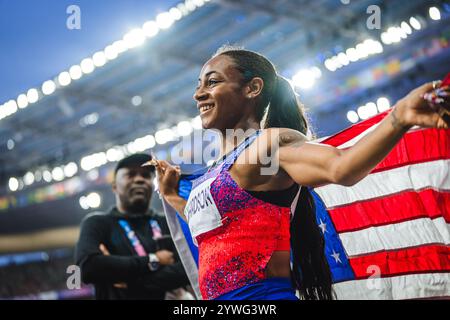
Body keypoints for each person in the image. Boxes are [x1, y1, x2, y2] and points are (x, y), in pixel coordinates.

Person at [154, 46, 450, 301]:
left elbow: (341, 167)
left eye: (212, 82)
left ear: (252, 88)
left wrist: (398, 118)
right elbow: (215, 229)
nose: (198, 94)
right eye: (199, 85)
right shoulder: (214, 172)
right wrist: (171, 196)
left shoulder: (268, 145)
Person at [75, 153, 190, 300]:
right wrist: (154, 260)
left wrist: (131, 282)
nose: (139, 179)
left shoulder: (168, 222)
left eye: (146, 175)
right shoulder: (97, 223)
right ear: (115, 187)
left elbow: (188, 269)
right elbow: (89, 268)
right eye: (130, 175)